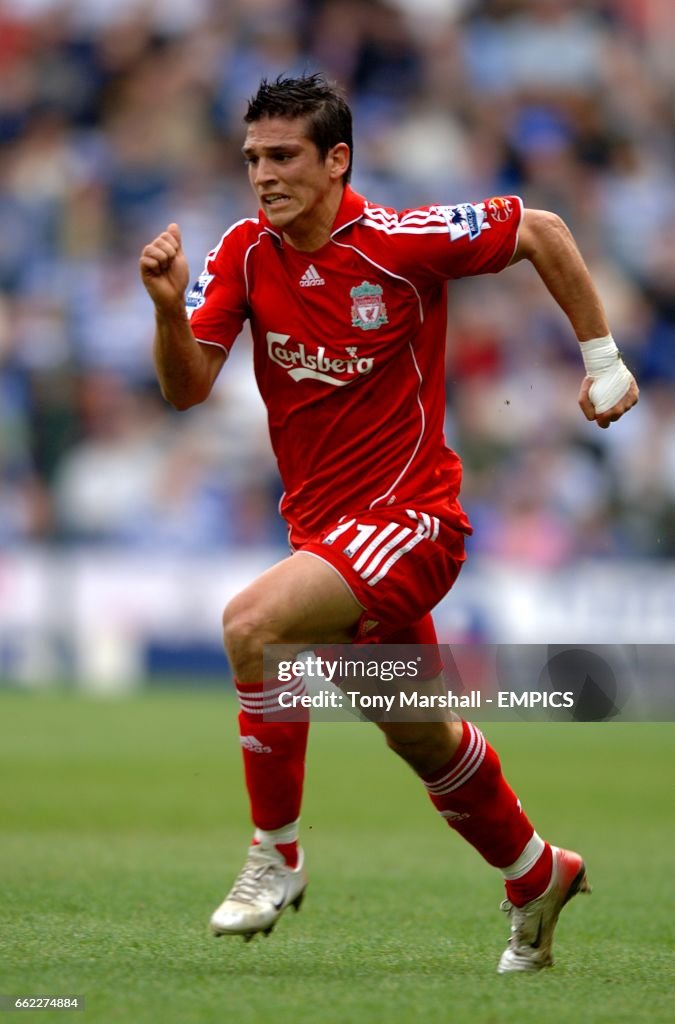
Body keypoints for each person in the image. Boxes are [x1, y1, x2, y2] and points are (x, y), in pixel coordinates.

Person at [139, 73, 638, 973]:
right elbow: (186, 389)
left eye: (283, 156)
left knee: (252, 626)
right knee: (419, 732)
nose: (262, 175)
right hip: (325, 538)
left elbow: (541, 230)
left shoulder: (399, 241)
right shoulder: (244, 254)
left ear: (336, 160)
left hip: (413, 520)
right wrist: (170, 309)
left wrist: (601, 360)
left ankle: (274, 856)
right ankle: (536, 874)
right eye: (252, 158)